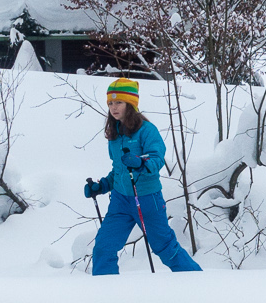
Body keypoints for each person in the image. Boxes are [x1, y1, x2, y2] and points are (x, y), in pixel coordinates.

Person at [83, 77, 202, 276]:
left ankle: (199, 283)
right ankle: (105, 297)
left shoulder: (147, 131)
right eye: (110, 103)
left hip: (147, 199)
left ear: (131, 104)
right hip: (120, 200)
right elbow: (119, 171)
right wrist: (102, 186)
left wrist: (140, 162)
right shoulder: (116, 133)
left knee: (165, 249)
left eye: (119, 102)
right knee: (103, 248)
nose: (113, 107)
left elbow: (157, 159)